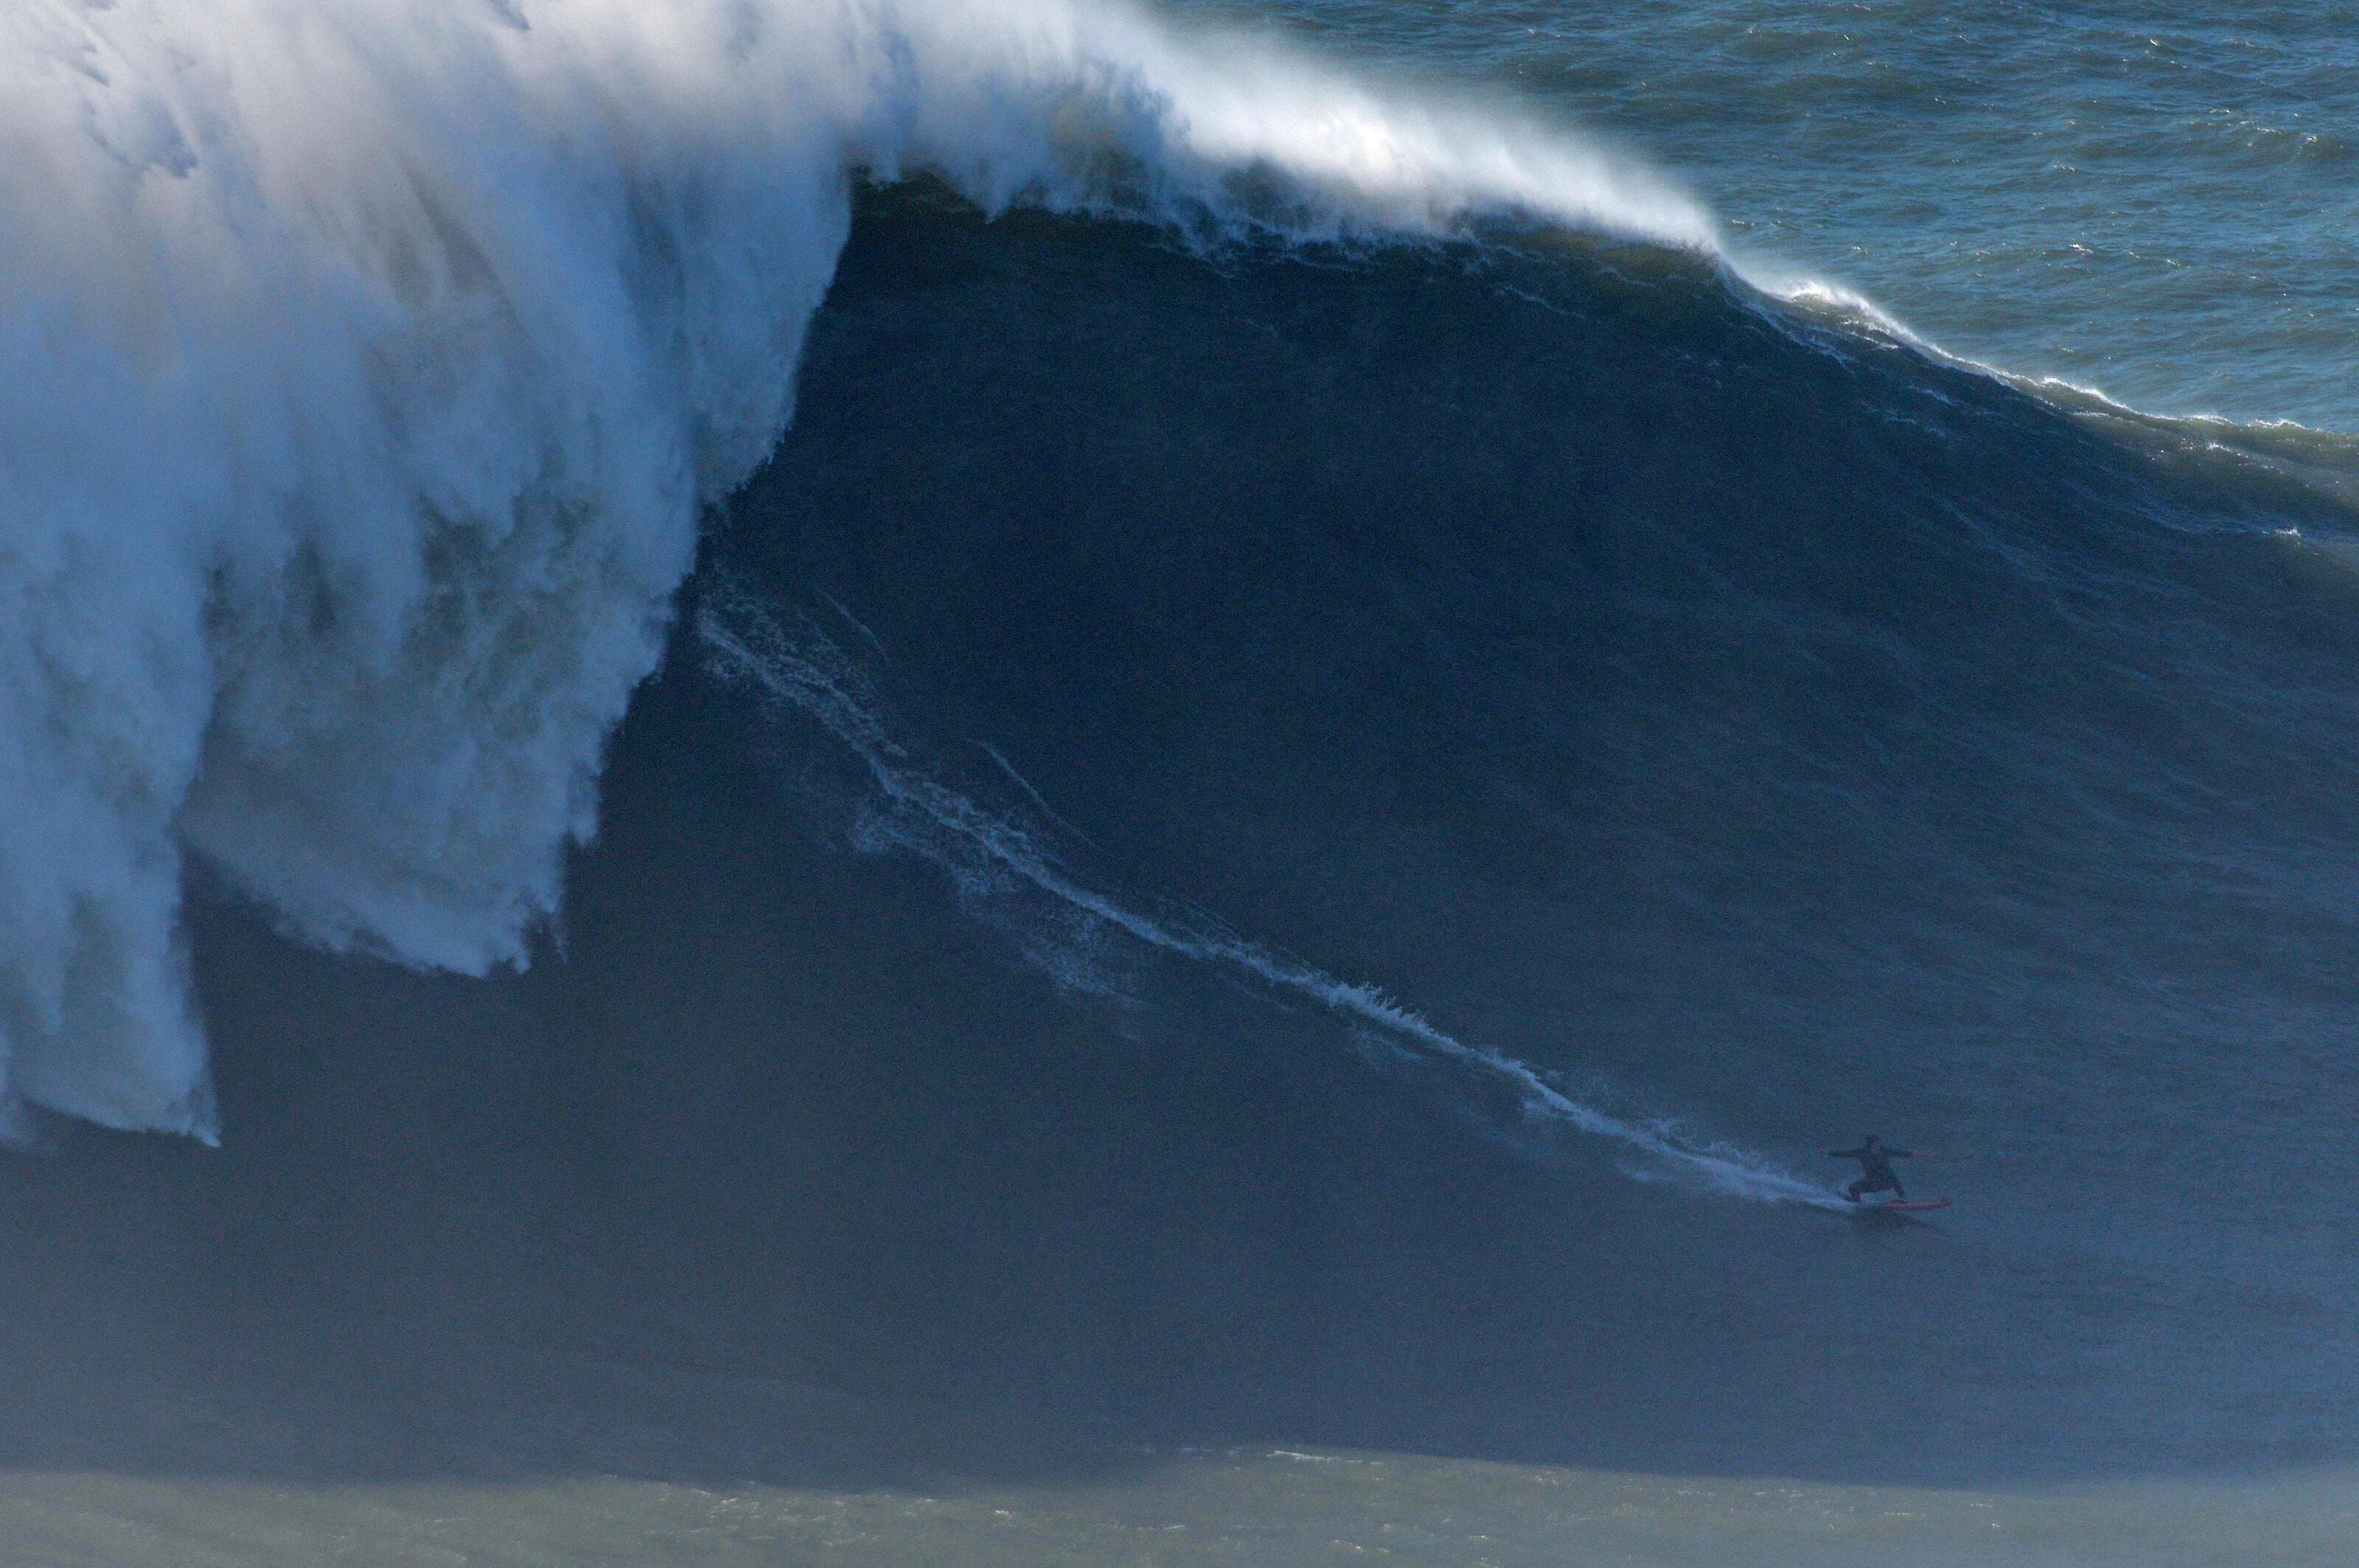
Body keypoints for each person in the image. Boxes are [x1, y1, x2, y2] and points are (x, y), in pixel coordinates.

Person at [1824, 1135, 1933, 1202]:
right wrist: (1827, 1152)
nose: (1878, 1145)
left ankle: (1902, 1199)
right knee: (1852, 1188)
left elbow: (1906, 1154)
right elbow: (1843, 1154)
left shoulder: (1885, 1151)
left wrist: (1927, 1156)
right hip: (1872, 1183)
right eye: (1876, 1143)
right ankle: (1856, 1203)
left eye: (1879, 1143)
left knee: (1891, 1174)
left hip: (1886, 1182)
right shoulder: (1862, 1153)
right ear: (1870, 1144)